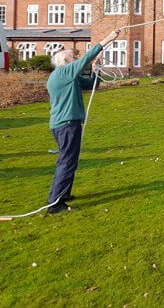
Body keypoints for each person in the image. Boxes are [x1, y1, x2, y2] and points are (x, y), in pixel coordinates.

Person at [46, 28, 121, 213]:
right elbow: (86, 57)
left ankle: (63, 194)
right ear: (65, 61)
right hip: (67, 125)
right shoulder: (63, 73)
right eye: (72, 56)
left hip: (64, 124)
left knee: (68, 160)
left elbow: (91, 84)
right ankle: (55, 204)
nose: (75, 58)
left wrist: (95, 70)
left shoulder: (67, 77)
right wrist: (108, 38)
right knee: (67, 161)